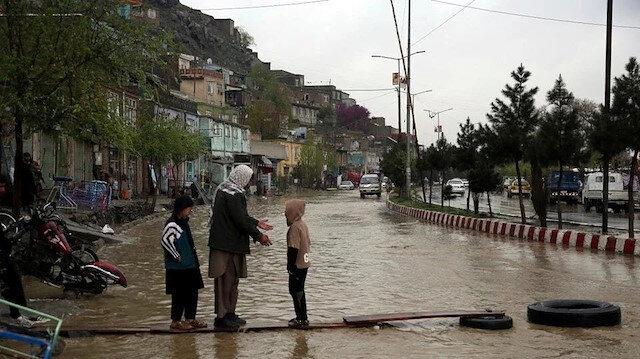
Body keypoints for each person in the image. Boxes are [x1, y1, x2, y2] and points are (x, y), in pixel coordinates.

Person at [208, 165, 273, 329]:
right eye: (249, 179)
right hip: (227, 245)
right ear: (242, 178)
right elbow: (240, 220)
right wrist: (259, 236)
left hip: (228, 243)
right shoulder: (234, 194)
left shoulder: (224, 189)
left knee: (231, 280)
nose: (249, 182)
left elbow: (239, 216)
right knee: (227, 280)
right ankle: (223, 317)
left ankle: (229, 314)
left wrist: (257, 222)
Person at [161, 195, 207, 332]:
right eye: (189, 208)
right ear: (181, 209)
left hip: (190, 265)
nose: (190, 211)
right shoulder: (172, 224)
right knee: (179, 294)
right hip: (177, 268)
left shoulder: (184, 222)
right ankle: (176, 321)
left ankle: (190, 319)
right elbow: (165, 241)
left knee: (192, 293)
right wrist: (176, 256)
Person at [285, 199, 311, 328]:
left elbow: (293, 248)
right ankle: (302, 317)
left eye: (287, 210)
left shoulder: (295, 227)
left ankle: (301, 318)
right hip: (304, 263)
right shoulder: (302, 224)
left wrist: (290, 266)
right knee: (299, 290)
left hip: (298, 264)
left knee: (295, 290)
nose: (285, 213)